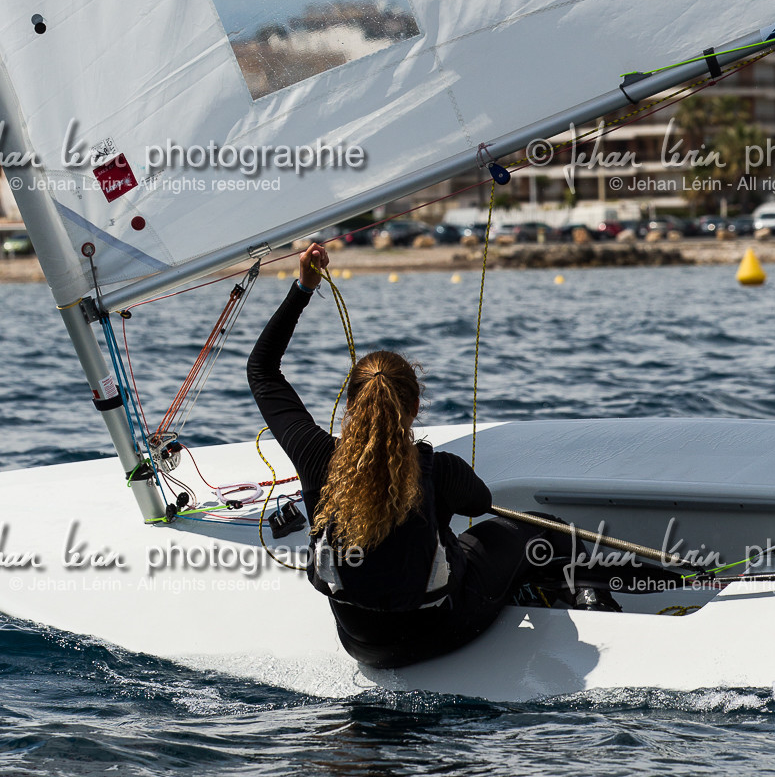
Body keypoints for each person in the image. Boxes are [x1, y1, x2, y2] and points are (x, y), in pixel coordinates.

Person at [247, 241, 581, 669]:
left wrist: (303, 288)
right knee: (530, 531)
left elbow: (262, 370)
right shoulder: (439, 469)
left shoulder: (314, 457)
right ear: (415, 406)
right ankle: (584, 582)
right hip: (442, 631)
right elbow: (479, 502)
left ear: (350, 405)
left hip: (361, 644)